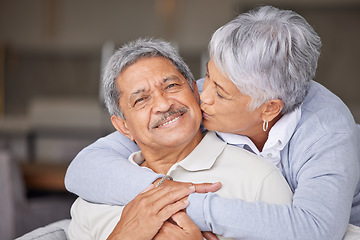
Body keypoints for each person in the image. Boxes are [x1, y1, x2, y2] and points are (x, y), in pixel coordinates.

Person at [65, 5, 360, 240]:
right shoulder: (200, 97)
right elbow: (84, 167)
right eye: (206, 76)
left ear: (269, 109)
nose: (202, 96)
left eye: (219, 91)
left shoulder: (324, 132)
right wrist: (160, 191)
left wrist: (182, 206)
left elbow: (316, 230)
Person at [67, 38, 293, 240]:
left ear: (196, 91)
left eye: (171, 86)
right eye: (141, 99)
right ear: (124, 127)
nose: (164, 104)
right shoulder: (94, 198)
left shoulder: (259, 180)